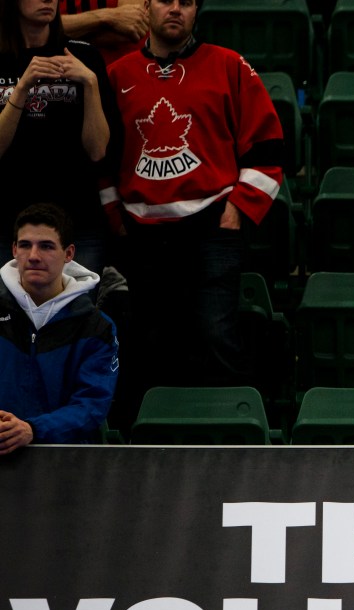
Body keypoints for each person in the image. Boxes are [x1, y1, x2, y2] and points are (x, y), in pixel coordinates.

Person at [99, 0, 283, 391]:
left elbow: (267, 147)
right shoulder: (116, 75)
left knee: (216, 335)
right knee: (151, 343)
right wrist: (115, 215)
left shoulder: (230, 66)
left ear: (197, 10)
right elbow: (101, 157)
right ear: (146, 6)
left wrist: (237, 209)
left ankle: (234, 422)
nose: (175, 9)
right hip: (142, 235)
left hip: (211, 227)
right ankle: (156, 427)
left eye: (185, 2)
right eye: (166, 0)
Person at [0, 0, 118, 273]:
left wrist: (90, 83)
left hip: (77, 222)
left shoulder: (84, 56)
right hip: (8, 223)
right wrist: (22, 88)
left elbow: (98, 150)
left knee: (77, 302)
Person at [0, 203, 119, 454]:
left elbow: (91, 405)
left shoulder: (96, 327)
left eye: (46, 246)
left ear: (69, 253)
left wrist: (33, 430)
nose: (33, 256)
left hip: (66, 460)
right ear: (14, 250)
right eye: (25, 245)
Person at [59, 0, 149, 65]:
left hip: (122, 73)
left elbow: (132, 26)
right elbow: (50, 27)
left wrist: (62, 35)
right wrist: (106, 16)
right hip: (64, 73)